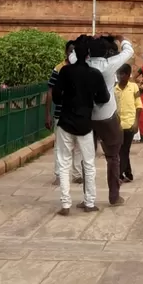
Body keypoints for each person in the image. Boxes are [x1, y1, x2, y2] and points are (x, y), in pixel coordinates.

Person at [50, 36, 108, 215]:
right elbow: (104, 98)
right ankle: (90, 202)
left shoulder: (65, 71)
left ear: (74, 53)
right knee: (89, 164)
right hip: (85, 123)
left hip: (66, 120)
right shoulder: (95, 74)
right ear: (88, 55)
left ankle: (66, 204)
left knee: (64, 163)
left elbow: (56, 95)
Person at [87, 34, 134, 205]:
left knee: (87, 157)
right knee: (113, 157)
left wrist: (90, 40)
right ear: (107, 52)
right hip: (107, 116)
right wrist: (121, 38)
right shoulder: (109, 65)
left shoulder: (83, 63)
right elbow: (129, 50)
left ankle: (88, 198)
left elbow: (72, 54)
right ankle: (114, 196)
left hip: (87, 116)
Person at [47, 40, 84, 186]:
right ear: (66, 52)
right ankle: (58, 174)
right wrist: (47, 114)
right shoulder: (59, 69)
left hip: (78, 112)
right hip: (61, 112)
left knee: (78, 145)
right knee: (60, 146)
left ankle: (77, 174)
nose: (72, 54)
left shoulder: (82, 68)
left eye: (74, 51)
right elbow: (50, 90)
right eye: (70, 51)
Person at [113, 64, 142, 182]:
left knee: (124, 150)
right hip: (118, 124)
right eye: (119, 74)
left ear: (128, 75)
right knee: (121, 149)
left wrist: (136, 123)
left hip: (130, 123)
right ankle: (128, 173)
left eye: (123, 74)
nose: (121, 76)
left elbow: (139, 106)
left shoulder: (134, 87)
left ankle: (119, 174)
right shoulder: (115, 90)